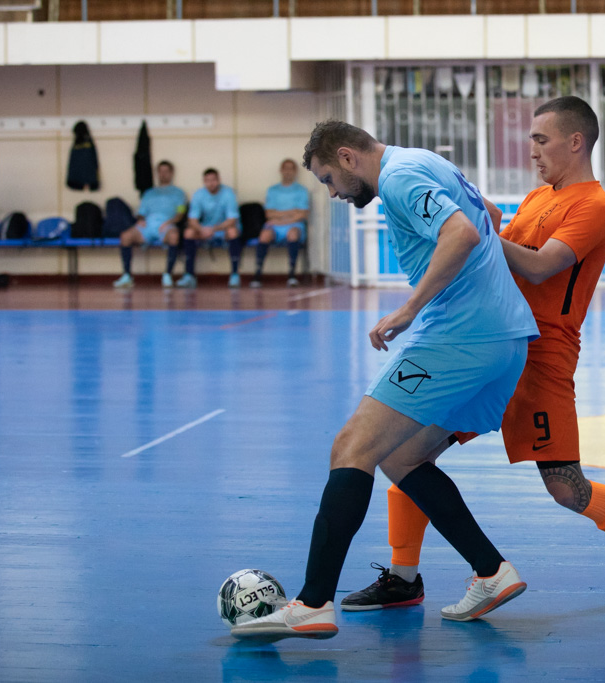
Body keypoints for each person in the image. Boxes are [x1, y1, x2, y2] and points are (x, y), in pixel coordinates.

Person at [340, 97, 605, 615]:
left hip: (544, 355)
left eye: (541, 140)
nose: (532, 150)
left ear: (576, 142)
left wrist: (471, 232)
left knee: (566, 489)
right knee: (406, 452)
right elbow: (492, 241)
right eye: (531, 139)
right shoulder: (536, 198)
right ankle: (403, 576)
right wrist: (470, 217)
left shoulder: (597, 207)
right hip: (491, 340)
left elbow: (539, 266)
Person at [231, 120, 539, 640]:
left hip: (460, 335)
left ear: (348, 157)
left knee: (352, 446)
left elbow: (463, 232)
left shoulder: (397, 178)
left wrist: (409, 309)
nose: (332, 193)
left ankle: (312, 603)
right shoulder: (423, 159)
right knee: (400, 457)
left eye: (329, 179)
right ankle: (491, 571)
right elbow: (487, 214)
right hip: (504, 338)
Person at [113, 160, 187, 289]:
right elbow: (141, 212)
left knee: (174, 235)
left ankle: (167, 275)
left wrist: (170, 222)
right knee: (125, 236)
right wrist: (140, 219)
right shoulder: (149, 193)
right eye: (160, 171)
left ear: (171, 173)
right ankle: (127, 276)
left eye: (166, 171)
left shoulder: (179, 193)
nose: (163, 174)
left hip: (166, 225)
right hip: (147, 225)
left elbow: (180, 213)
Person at [178, 168, 241, 288]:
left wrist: (214, 229)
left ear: (219, 180)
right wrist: (202, 229)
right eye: (207, 180)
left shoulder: (228, 193)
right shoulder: (199, 194)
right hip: (205, 230)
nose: (211, 183)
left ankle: (234, 275)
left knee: (233, 232)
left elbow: (232, 220)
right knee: (189, 232)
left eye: (213, 180)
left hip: (222, 229)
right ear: (204, 181)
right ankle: (189, 275)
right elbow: (192, 220)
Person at [252, 159, 310, 288]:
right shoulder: (272, 190)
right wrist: (292, 212)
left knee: (293, 234)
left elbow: (302, 214)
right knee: (265, 235)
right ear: (281, 170)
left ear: (295, 171)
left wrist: (281, 217)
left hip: (293, 225)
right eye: (285, 168)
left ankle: (292, 275)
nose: (288, 171)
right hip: (275, 225)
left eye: (291, 168)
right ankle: (257, 275)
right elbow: (269, 214)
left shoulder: (301, 190)